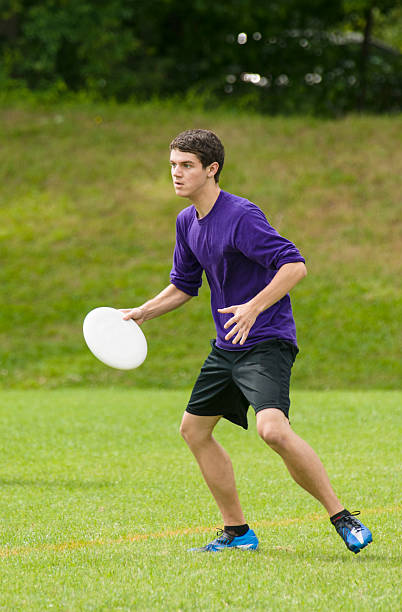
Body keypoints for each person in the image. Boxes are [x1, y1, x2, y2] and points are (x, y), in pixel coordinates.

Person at [121, 129, 372, 554]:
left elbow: (294, 266)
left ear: (211, 170)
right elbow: (183, 286)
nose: (176, 174)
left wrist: (253, 306)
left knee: (272, 430)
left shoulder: (241, 215)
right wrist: (143, 312)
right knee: (194, 430)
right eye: (172, 165)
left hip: (267, 340)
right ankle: (238, 533)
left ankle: (341, 515)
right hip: (227, 347)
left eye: (186, 166)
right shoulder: (187, 222)